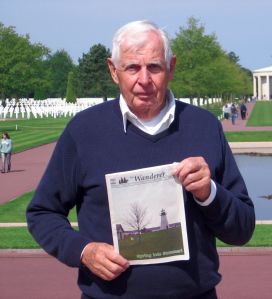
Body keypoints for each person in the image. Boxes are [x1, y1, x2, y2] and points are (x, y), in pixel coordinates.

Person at [26, 20, 255, 299]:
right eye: (132, 67)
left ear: (171, 67)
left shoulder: (204, 126)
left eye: (154, 67)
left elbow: (242, 229)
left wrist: (210, 194)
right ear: (114, 70)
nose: (144, 80)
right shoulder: (84, 131)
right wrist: (83, 251)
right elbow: (42, 213)